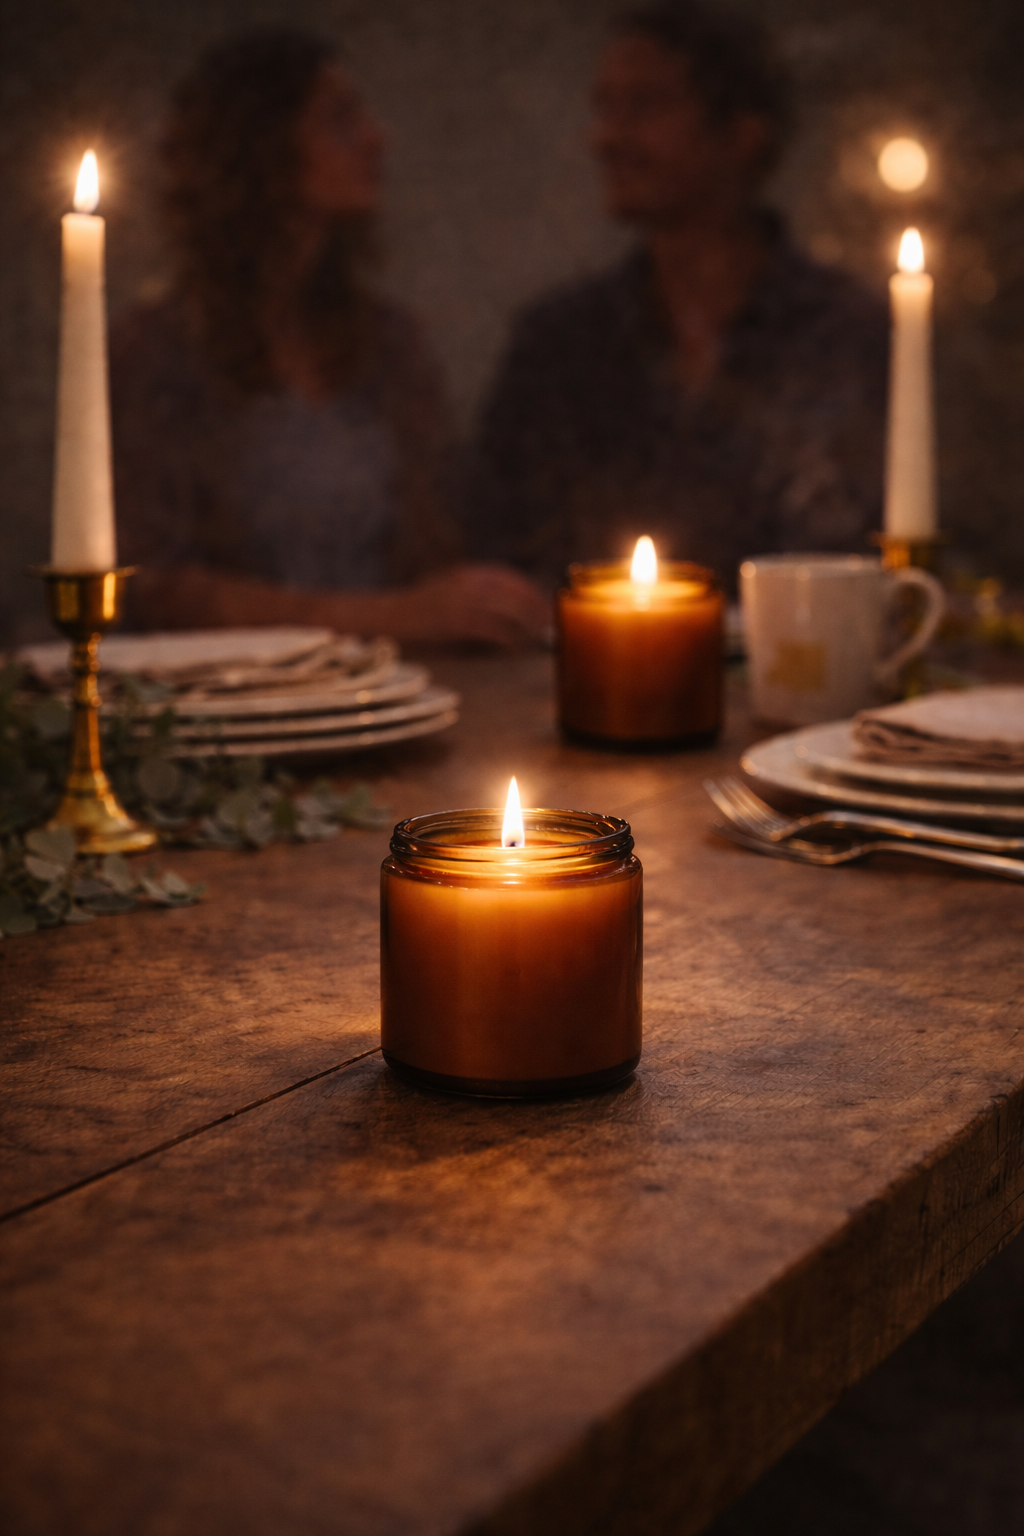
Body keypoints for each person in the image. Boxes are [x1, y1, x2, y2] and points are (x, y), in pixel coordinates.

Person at [112, 29, 549, 647]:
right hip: (226, 703)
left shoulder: (389, 342)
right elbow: (153, 589)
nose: (377, 137)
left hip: (387, 693)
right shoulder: (158, 349)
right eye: (340, 120)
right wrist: (396, 616)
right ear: (261, 148)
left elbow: (440, 543)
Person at [470, 1, 889, 593]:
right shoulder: (562, 343)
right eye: (604, 108)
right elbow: (502, 551)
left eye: (644, 107)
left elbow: (865, 545)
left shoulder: (841, 333)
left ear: (743, 133)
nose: (607, 138)